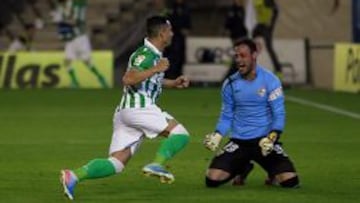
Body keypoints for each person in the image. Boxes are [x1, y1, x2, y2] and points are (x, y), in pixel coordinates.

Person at [60, 16, 191, 200]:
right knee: (181, 134)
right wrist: (155, 69)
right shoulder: (145, 54)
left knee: (116, 164)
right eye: (170, 30)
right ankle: (157, 164)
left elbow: (150, 80)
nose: (172, 33)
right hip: (139, 107)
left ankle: (73, 176)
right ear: (162, 34)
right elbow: (129, 79)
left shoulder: (153, 55)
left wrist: (172, 82)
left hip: (126, 113)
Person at [203, 38, 299, 188]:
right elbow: (226, 116)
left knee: (290, 182)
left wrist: (272, 137)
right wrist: (217, 135)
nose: (239, 60)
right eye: (236, 56)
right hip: (239, 142)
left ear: (254, 55)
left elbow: (279, 114)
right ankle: (243, 167)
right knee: (212, 180)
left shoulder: (271, 80)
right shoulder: (230, 84)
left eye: (243, 56)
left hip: (264, 142)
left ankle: (272, 171)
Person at [57, 0, 108, 88]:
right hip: (73, 38)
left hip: (79, 37)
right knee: (67, 61)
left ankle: (100, 77)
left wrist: (62, 18)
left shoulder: (74, 4)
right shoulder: (77, 4)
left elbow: (73, 20)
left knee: (86, 61)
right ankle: (75, 81)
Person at [251, 0, 282, 80]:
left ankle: (278, 70)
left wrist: (271, 25)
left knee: (269, 48)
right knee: (248, 45)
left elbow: (276, 10)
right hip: (259, 25)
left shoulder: (267, 1)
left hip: (266, 26)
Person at [164, 0, 192, 79]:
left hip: (181, 36)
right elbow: (167, 21)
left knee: (180, 56)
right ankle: (170, 75)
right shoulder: (170, 8)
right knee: (172, 56)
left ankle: (178, 74)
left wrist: (187, 28)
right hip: (172, 36)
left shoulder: (186, 8)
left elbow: (188, 20)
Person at [223, 0, 248, 79]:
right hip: (236, 38)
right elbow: (228, 24)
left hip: (243, 37)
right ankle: (230, 76)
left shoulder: (242, 10)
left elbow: (244, 24)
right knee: (239, 57)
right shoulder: (231, 10)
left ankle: (231, 76)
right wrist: (232, 37)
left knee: (239, 58)